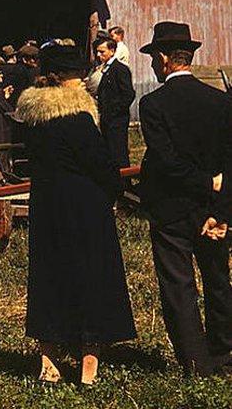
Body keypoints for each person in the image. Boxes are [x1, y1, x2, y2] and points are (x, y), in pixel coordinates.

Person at [16, 44, 136, 385]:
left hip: (47, 205)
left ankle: (48, 363)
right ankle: (88, 368)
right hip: (85, 208)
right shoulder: (79, 118)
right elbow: (100, 165)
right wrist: (116, 188)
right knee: (91, 278)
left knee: (49, 278)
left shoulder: (34, 118)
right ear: (69, 80)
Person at [138, 21, 232, 377]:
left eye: (152, 58)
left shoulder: (152, 104)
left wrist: (204, 183)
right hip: (214, 210)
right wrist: (222, 208)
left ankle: (196, 362)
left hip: (172, 209)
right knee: (218, 279)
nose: (150, 65)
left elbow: (166, 161)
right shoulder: (221, 102)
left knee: (178, 285)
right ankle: (224, 353)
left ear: (163, 58)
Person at [95, 38, 135, 168]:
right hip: (107, 118)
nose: (98, 55)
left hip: (117, 119)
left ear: (112, 51)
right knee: (109, 151)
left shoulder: (120, 69)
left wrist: (114, 111)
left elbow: (128, 94)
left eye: (102, 52)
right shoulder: (106, 69)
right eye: (97, 52)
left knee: (118, 151)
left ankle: (124, 181)